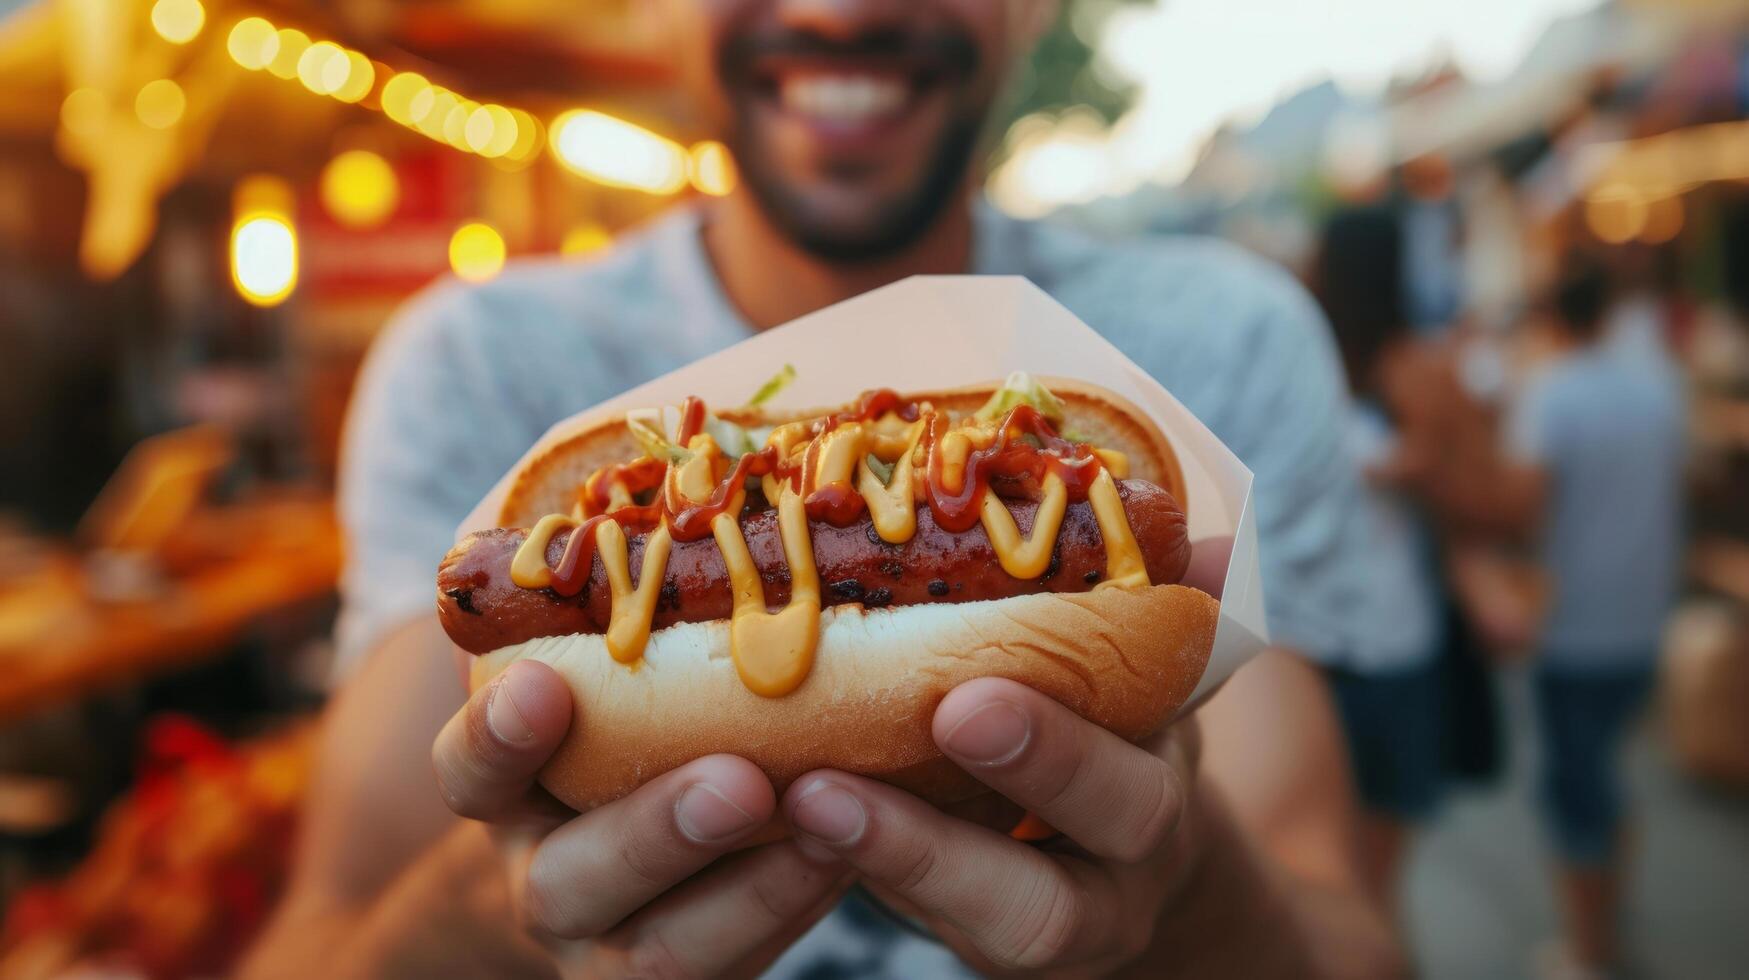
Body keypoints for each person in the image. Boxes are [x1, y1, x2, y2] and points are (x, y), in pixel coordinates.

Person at [240, 2, 1405, 976]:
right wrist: (502, 913)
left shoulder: (1218, 340)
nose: (843, 9)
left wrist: (1186, 884)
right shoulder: (477, 364)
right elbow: (317, 936)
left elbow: (1356, 940)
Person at [1408, 256, 1686, 978]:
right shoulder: (1655, 387)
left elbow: (1517, 506)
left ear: (1552, 318)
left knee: (1575, 789)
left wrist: (1433, 478)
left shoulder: (1553, 396)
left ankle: (1591, 952)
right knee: (1604, 776)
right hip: (1643, 614)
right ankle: (1608, 927)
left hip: (1574, 625)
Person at [1312, 205, 1444, 909]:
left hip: (1319, 636)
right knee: (1374, 884)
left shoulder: (1302, 360)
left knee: (1333, 874)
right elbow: (1450, 472)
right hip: (1391, 636)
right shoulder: (1411, 362)